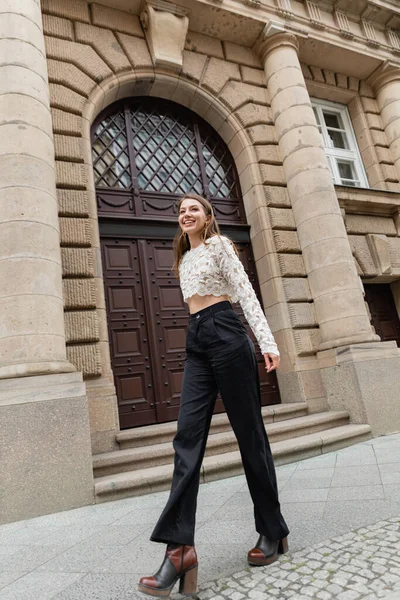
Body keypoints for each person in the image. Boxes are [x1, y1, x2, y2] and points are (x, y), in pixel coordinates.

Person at [138, 193, 289, 598]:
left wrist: (267, 342)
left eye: (194, 209)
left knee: (250, 437)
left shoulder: (220, 245)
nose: (186, 214)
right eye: (181, 211)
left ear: (207, 218)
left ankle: (272, 530)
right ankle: (179, 549)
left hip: (227, 333)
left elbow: (245, 290)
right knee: (186, 438)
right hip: (197, 340)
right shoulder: (183, 259)